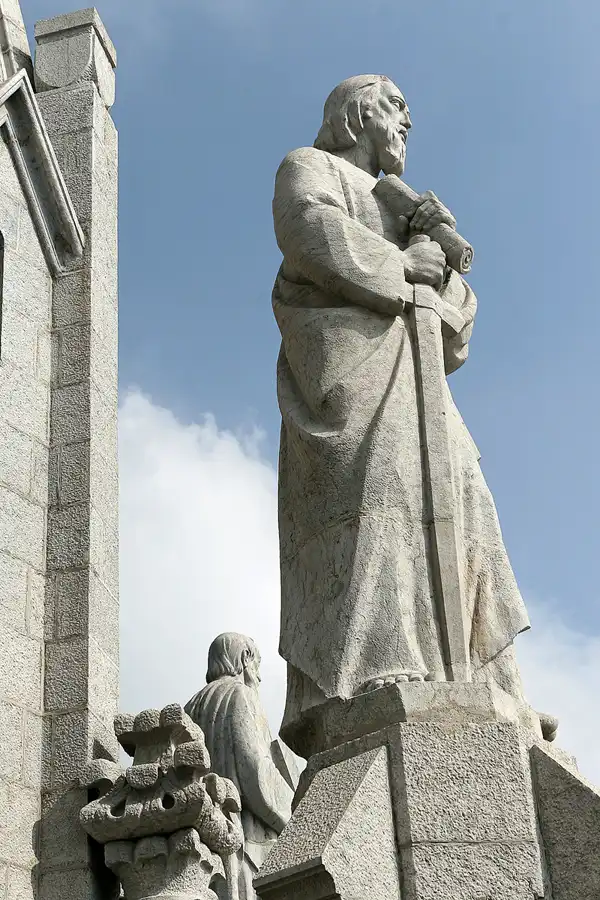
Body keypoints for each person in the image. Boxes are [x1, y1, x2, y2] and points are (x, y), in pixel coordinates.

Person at [272, 74, 537, 753]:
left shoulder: (403, 203)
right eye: (396, 109)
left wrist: (439, 262)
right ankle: (377, 669)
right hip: (360, 381)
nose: (407, 124)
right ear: (358, 113)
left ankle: (486, 673)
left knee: (468, 501)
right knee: (381, 508)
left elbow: (454, 327)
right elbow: (310, 232)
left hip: (422, 382)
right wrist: (402, 265)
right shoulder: (312, 167)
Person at [185, 634, 297, 900]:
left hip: (203, 847)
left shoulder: (190, 706)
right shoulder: (240, 694)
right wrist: (294, 814)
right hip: (247, 840)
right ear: (245, 658)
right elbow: (255, 771)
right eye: (258, 665)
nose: (258, 677)